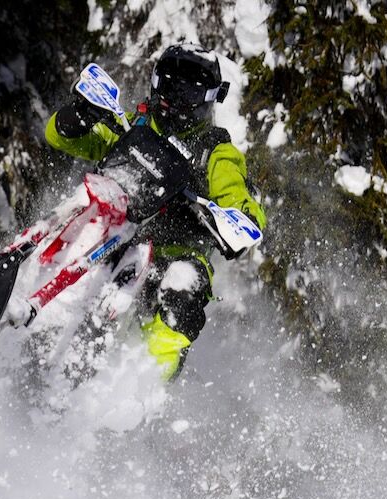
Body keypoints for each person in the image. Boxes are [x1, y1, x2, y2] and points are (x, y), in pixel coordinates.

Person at [44, 42, 267, 379]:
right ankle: (25, 283)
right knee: (74, 222)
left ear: (208, 99)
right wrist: (77, 117)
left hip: (173, 253)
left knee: (182, 296)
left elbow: (236, 194)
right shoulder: (135, 126)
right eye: (170, 87)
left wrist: (237, 218)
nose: (177, 101)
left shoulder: (216, 152)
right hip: (113, 231)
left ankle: (142, 384)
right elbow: (63, 138)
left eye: (189, 94)